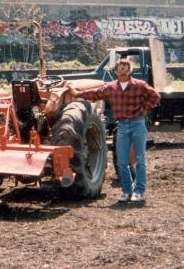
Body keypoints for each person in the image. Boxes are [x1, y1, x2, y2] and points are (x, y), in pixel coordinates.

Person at [69, 59, 160, 203]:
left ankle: (139, 191)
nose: (123, 71)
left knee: (140, 160)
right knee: (122, 162)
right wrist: (76, 93)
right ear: (116, 71)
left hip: (138, 124)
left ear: (130, 71)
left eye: (125, 68)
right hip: (122, 126)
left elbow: (155, 96)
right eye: (120, 69)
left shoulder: (140, 85)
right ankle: (126, 191)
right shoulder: (110, 87)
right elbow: (94, 93)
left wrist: (144, 109)